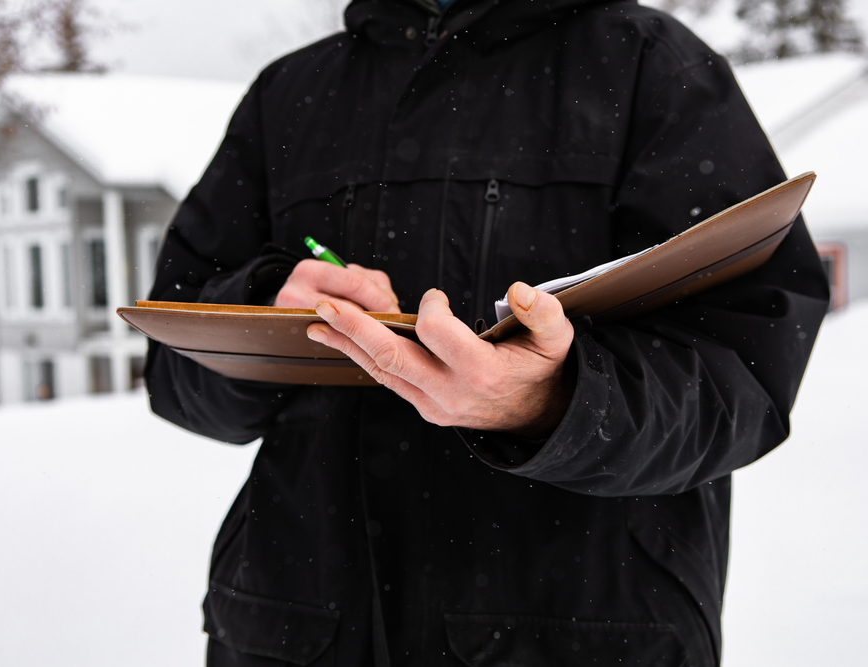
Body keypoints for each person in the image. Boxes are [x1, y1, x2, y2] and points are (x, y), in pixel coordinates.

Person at [145, 0, 830, 665]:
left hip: (578, 632)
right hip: (292, 630)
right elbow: (173, 367)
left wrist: (555, 405)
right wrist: (265, 309)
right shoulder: (289, 94)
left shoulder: (649, 66)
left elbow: (746, 370)